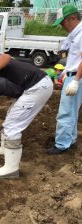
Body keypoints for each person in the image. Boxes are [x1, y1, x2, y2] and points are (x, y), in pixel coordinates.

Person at [47, 4, 82, 155]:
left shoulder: (81, 34)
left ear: (72, 18)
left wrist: (75, 80)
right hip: (72, 75)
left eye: (63, 23)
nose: (61, 26)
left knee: (65, 112)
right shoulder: (75, 33)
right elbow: (66, 51)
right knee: (72, 111)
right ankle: (70, 140)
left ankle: (62, 144)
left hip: (76, 77)